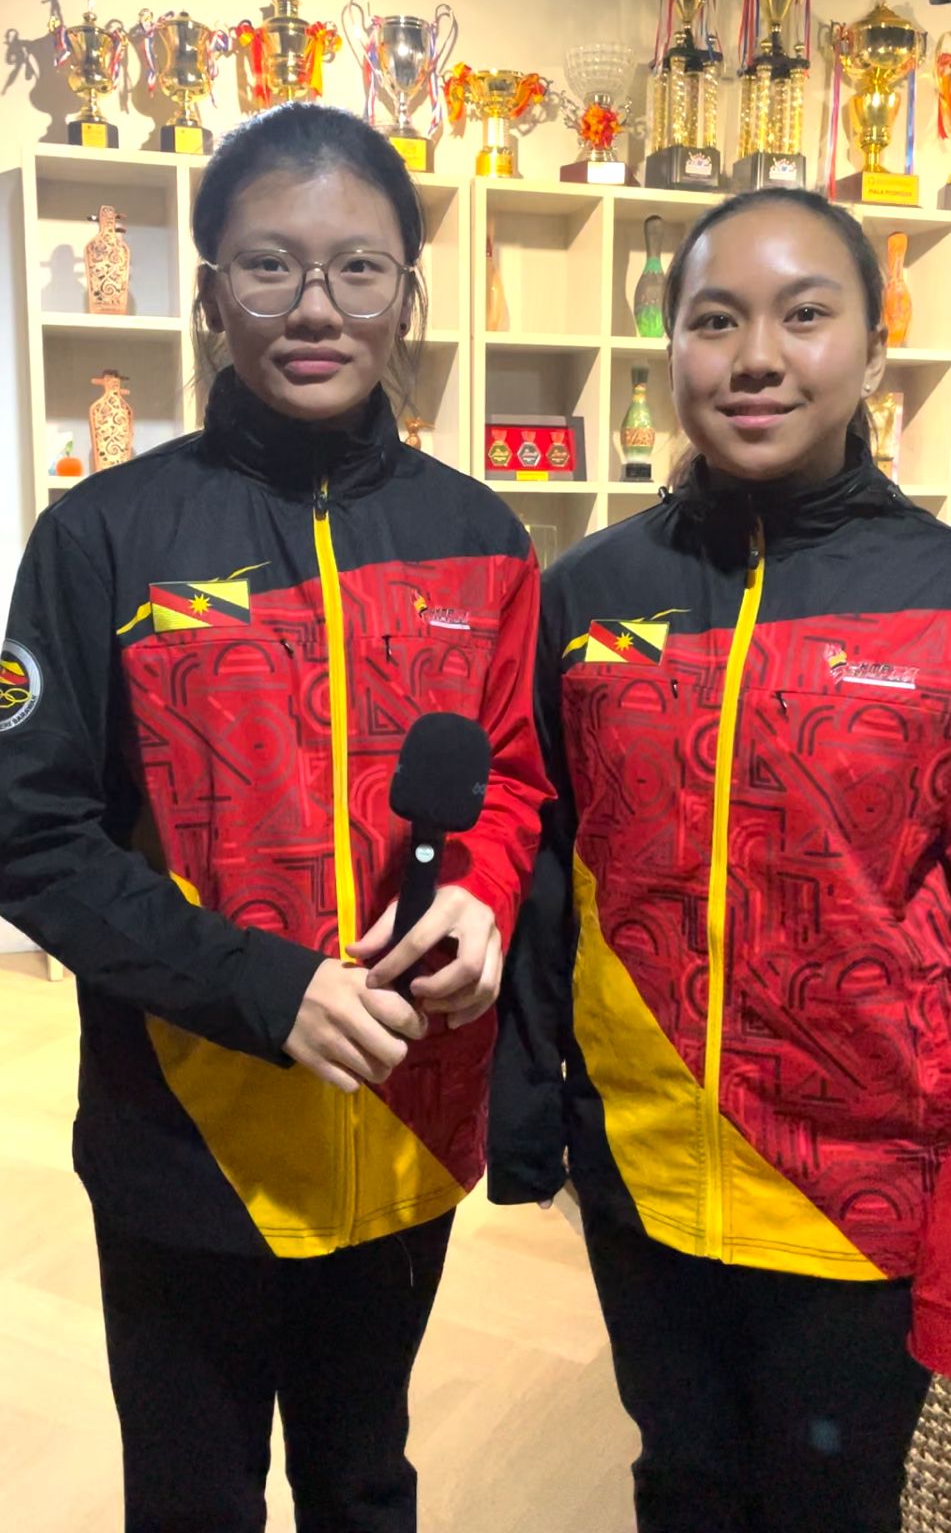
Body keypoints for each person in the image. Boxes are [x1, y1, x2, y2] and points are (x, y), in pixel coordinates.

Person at [0, 101, 549, 1533]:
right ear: (209, 293)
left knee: (365, 1481)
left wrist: (483, 894)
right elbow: (27, 830)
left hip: (406, 1130)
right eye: (270, 265)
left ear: (405, 294)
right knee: (194, 1499)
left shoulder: (482, 538)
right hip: (186, 1142)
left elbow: (511, 774)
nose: (316, 307)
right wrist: (264, 987)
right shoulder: (99, 536)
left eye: (359, 267)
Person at [488, 187, 951, 1533]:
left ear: (874, 347)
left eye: (804, 315)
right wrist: (526, 1099)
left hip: (862, 1189)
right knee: (682, 1480)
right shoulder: (586, 593)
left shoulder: (938, 596)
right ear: (670, 348)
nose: (756, 357)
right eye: (714, 320)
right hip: (640, 1164)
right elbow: (543, 860)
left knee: (830, 1502)